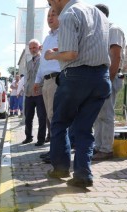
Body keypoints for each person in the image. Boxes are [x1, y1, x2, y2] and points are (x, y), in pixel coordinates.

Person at [45, 0, 111, 188]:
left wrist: (52, 55)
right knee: (84, 128)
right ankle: (83, 173)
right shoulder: (98, 14)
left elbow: (71, 54)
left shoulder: (68, 14)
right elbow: (86, 46)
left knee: (59, 123)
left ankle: (60, 168)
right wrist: (64, 52)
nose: (53, 8)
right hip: (100, 78)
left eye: (51, 3)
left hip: (75, 77)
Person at [93, 4, 125, 161]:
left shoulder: (113, 30)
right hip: (101, 78)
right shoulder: (101, 32)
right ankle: (98, 146)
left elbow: (116, 57)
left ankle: (106, 149)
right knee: (98, 115)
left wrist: (108, 80)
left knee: (106, 114)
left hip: (109, 77)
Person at [33, 8, 61, 163]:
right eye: (48, 15)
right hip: (47, 81)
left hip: (57, 80)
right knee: (51, 118)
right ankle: (54, 150)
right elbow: (43, 63)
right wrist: (38, 80)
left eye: (53, 14)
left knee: (57, 118)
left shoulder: (64, 34)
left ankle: (57, 153)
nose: (50, 17)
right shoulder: (47, 38)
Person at [22, 39, 47, 146]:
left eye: (34, 47)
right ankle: (28, 137)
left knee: (42, 117)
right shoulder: (28, 63)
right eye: (31, 48)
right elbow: (27, 78)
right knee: (28, 117)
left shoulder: (44, 60)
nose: (33, 50)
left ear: (39, 47)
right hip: (29, 93)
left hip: (40, 92)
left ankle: (41, 139)